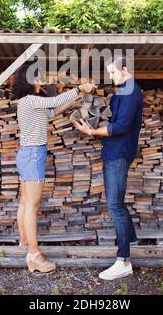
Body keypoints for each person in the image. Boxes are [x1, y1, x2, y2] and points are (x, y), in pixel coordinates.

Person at [11, 64, 94, 273]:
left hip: (27, 154)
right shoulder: (31, 100)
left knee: (25, 203)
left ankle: (24, 243)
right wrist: (79, 89)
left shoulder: (29, 103)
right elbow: (55, 101)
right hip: (32, 155)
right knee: (33, 206)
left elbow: (51, 111)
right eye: (37, 79)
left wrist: (71, 103)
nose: (41, 82)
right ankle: (34, 255)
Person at [72, 56, 143, 280]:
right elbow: (108, 117)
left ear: (124, 69)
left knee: (115, 205)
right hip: (111, 152)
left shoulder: (131, 91)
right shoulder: (122, 91)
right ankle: (130, 240)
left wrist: (91, 132)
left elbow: (120, 126)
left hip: (119, 153)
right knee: (117, 203)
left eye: (113, 73)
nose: (110, 77)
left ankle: (123, 261)